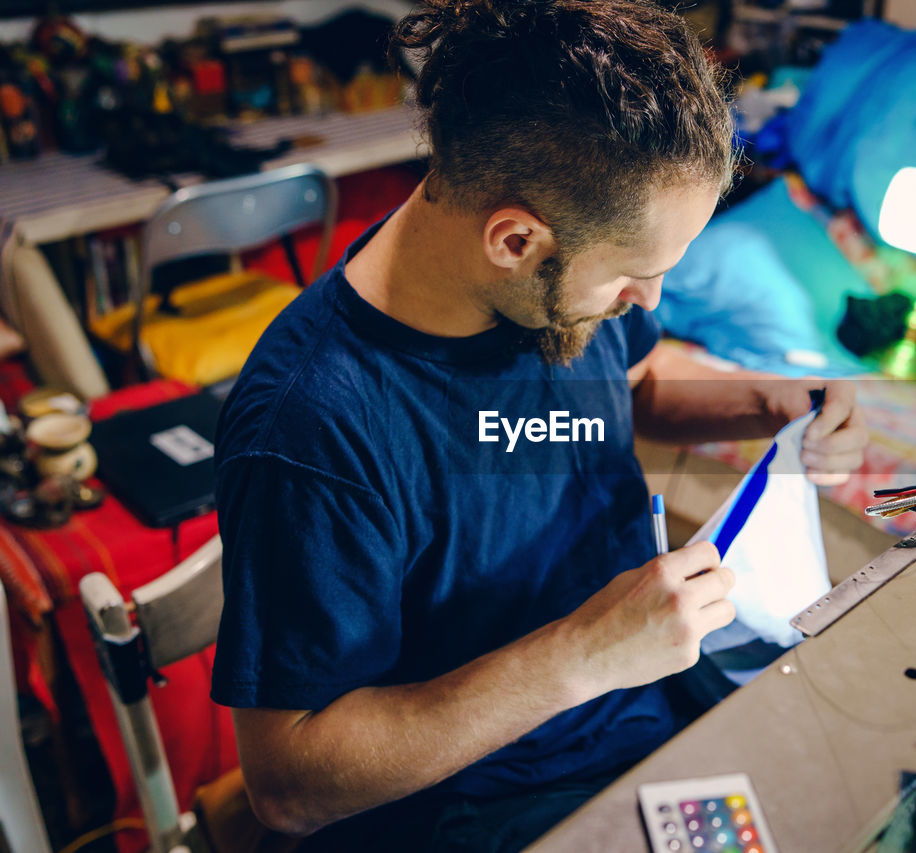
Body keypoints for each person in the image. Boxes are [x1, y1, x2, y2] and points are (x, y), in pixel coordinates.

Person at [210, 1, 869, 849]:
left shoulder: (548, 293)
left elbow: (628, 387)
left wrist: (766, 400)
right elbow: (289, 786)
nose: (650, 300)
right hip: (487, 802)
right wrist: (585, 655)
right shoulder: (313, 426)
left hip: (646, 706)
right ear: (515, 240)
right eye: (635, 275)